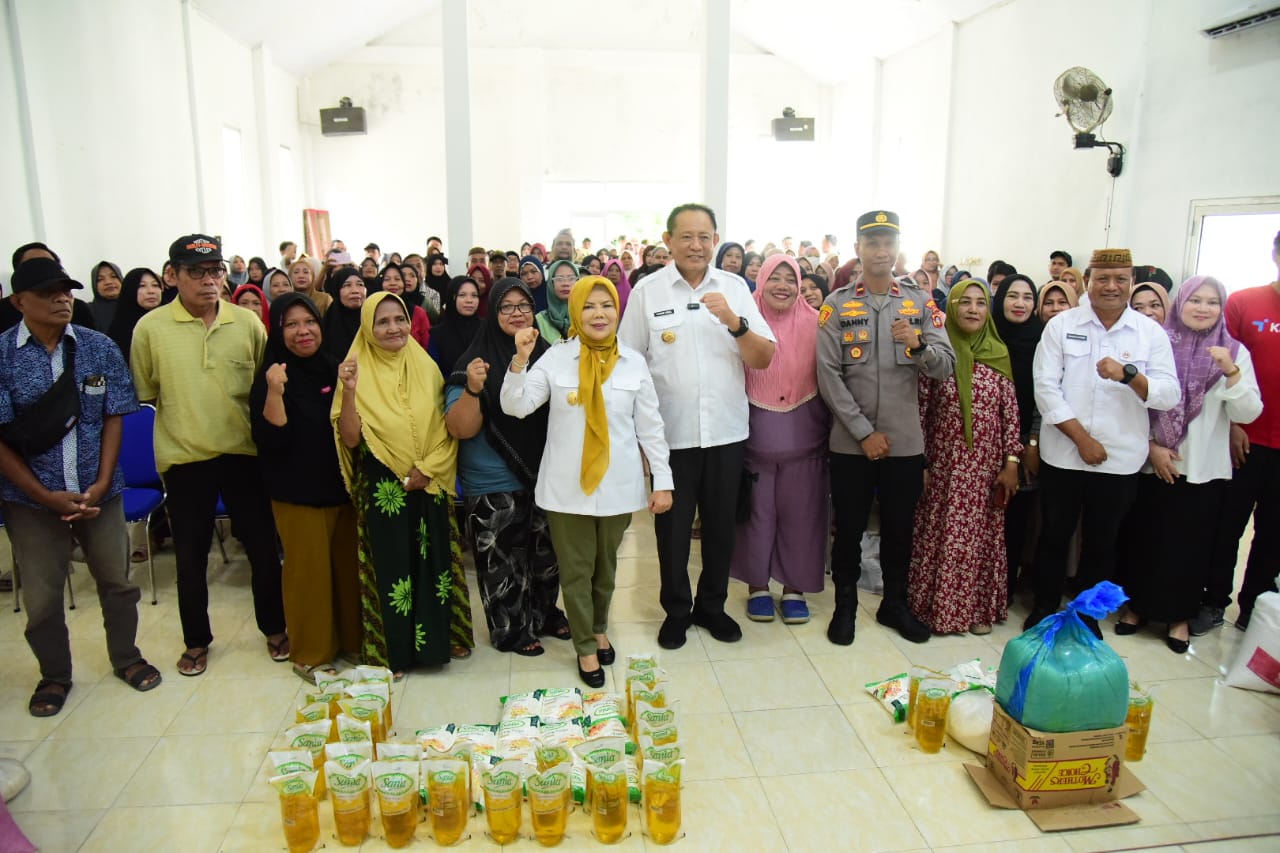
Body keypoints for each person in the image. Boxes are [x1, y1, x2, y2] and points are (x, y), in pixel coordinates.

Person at [0, 258, 161, 716]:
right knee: (44, 596)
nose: (62, 299)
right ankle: (54, 675)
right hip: (31, 501)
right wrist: (43, 495)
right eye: (49, 292)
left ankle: (126, 658)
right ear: (19, 302)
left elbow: (114, 417)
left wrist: (104, 481)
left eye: (66, 290)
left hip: (101, 492)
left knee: (117, 582)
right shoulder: (2, 356)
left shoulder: (98, 348)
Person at [501, 275, 673, 685]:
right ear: (576, 311)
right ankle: (585, 647)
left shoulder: (633, 362)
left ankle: (599, 628)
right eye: (590, 306)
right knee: (576, 571)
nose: (599, 314)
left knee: (606, 570)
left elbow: (651, 426)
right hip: (566, 488)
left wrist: (662, 481)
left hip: (618, 485)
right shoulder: (556, 358)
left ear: (618, 311)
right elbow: (517, 406)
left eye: (607, 306)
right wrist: (519, 362)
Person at [618, 203, 776, 650]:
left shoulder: (736, 288)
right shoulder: (648, 293)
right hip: (670, 437)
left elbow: (764, 357)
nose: (696, 245)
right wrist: (640, 443)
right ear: (667, 241)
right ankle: (676, 611)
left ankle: (712, 605)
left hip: (726, 432)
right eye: (686, 236)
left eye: (704, 236)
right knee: (671, 532)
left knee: (722, 527)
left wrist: (734, 321)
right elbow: (628, 366)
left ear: (716, 239)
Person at [130, 234, 287, 675]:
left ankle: (275, 630)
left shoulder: (247, 324)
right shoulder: (151, 329)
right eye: (195, 272)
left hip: (243, 455)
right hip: (185, 460)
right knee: (191, 556)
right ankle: (196, 641)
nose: (208, 281)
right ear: (172, 275)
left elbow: (262, 389)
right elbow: (147, 391)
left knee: (261, 549)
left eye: (215, 271)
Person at [816, 210, 956, 646]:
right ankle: (845, 608)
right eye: (872, 243)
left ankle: (894, 604)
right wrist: (862, 432)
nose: (880, 251)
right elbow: (828, 377)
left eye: (888, 243)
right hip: (851, 444)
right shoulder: (835, 305)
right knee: (850, 528)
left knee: (900, 528)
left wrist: (918, 347)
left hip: (904, 442)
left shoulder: (919, 303)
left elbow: (945, 367)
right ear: (858, 248)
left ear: (898, 249)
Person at [1027, 248, 1181, 632]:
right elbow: (1045, 388)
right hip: (1063, 453)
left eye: (1120, 279)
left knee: (1101, 543)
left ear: (1130, 283)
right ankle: (1044, 608)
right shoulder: (1061, 326)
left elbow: (1168, 394)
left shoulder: (1150, 333)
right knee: (1054, 536)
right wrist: (1081, 439)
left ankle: (1086, 617)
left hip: (1120, 458)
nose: (1111, 287)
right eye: (1103, 279)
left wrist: (1130, 375)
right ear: (1089, 281)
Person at [1117, 276, 1261, 652]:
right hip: (1152, 462)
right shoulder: (1157, 342)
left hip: (1203, 469)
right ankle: (1137, 608)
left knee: (1191, 546)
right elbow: (1134, 402)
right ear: (1180, 302)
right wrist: (1151, 447)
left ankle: (1179, 617)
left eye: (1212, 302)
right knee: (1144, 538)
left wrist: (1231, 373)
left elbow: (1249, 410)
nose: (1202, 308)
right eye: (1195, 299)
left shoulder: (1233, 350)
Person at [334, 292, 472, 671]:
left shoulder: (425, 366)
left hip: (428, 479)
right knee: (391, 568)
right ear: (368, 327)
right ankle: (392, 652)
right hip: (384, 488)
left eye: (399, 319)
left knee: (435, 566)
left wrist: (428, 468)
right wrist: (348, 393)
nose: (393, 328)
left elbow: (446, 428)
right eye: (382, 321)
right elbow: (349, 438)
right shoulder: (355, 368)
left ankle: (438, 644)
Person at [445, 278, 569, 654]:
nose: (517, 314)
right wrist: (472, 389)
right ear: (493, 312)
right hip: (493, 479)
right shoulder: (475, 360)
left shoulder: (548, 354)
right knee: (503, 559)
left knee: (547, 556)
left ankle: (545, 614)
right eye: (507, 307)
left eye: (524, 306)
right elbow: (459, 428)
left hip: (543, 475)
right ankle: (511, 629)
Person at [251, 293, 361, 680]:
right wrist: (276, 392)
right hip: (296, 491)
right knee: (307, 575)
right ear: (278, 331)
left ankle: (350, 642)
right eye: (292, 324)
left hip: (340, 488)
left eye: (310, 322)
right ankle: (310, 654)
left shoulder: (333, 367)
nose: (303, 331)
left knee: (346, 571)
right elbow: (272, 439)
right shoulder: (271, 375)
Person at [908, 280, 1022, 634]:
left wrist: (1012, 463)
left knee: (978, 539)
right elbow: (922, 411)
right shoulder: (938, 355)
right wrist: (922, 463)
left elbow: (1010, 415)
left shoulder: (998, 354)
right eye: (965, 302)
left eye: (980, 303)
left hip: (985, 472)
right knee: (940, 534)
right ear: (951, 308)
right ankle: (937, 608)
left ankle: (975, 612)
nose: (973, 309)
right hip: (944, 466)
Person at [729, 255, 829, 624]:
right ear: (761, 280)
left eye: (791, 279)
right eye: (775, 277)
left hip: (807, 439)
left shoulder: (818, 323)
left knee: (801, 516)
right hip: (752, 438)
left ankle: (794, 588)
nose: (783, 285)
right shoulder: (745, 320)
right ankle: (757, 586)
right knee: (756, 515)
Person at [1205, 233, 1280, 632]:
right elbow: (1221, 361)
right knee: (1227, 525)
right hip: (1244, 438)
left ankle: (1255, 608)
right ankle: (1214, 599)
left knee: (1273, 533)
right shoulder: (1244, 302)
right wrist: (1234, 425)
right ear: (1274, 255)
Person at [992, 274, 1043, 596]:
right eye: (1013, 296)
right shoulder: (987, 336)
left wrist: (1031, 442)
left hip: (1025, 441)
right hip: (983, 440)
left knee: (1016, 516)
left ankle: (1005, 585)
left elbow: (1045, 395)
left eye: (1027, 297)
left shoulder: (1042, 341)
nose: (1020, 303)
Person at [2, 244, 96, 333]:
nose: (62, 298)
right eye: (34, 265)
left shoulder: (80, 310)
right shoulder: (5, 344)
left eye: (66, 290)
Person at [106, 267, 164, 362]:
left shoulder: (170, 319)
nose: (151, 291)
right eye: (142, 286)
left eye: (155, 285)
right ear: (129, 290)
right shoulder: (120, 329)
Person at [429, 276, 483, 377]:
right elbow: (434, 372)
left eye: (474, 295)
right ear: (452, 297)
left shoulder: (486, 329)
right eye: (462, 295)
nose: (469, 300)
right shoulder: (437, 334)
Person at [378, 263, 431, 351]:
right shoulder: (373, 311)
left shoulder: (418, 313)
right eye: (387, 279)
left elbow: (427, 346)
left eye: (397, 279)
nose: (392, 283)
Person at [323, 266, 365, 361]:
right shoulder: (328, 324)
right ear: (337, 290)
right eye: (347, 285)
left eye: (360, 284)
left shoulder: (374, 320)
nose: (355, 290)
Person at [536, 260, 576, 345]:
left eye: (571, 278)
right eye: (559, 279)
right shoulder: (540, 320)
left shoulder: (586, 317)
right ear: (551, 283)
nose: (565, 283)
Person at [87, 261, 124, 331]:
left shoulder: (136, 307)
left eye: (114, 276)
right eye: (100, 279)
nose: (108, 282)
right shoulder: (87, 312)